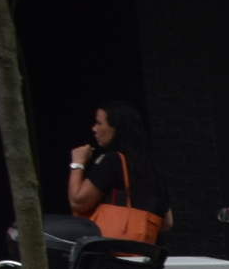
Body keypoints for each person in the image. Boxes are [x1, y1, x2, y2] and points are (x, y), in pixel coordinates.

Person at [67, 101, 172, 239]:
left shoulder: (112, 160)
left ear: (116, 128)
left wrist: (78, 163)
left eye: (99, 123)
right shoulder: (151, 167)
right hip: (145, 251)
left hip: (112, 250)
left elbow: (78, 203)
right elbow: (167, 222)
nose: (94, 128)